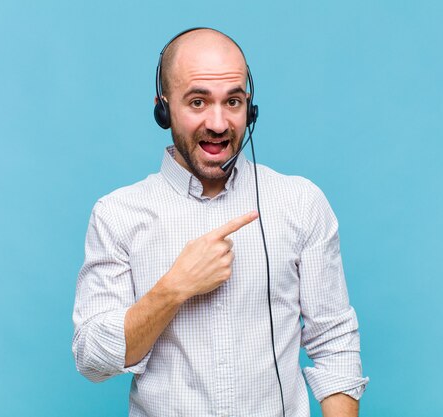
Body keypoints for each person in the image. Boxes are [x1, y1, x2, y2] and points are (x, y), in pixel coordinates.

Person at [72, 28, 369, 417]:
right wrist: (173, 288)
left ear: (251, 107)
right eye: (197, 101)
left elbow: (335, 343)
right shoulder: (118, 214)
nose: (218, 122)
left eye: (233, 101)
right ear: (164, 109)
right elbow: (93, 360)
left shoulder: (299, 203)